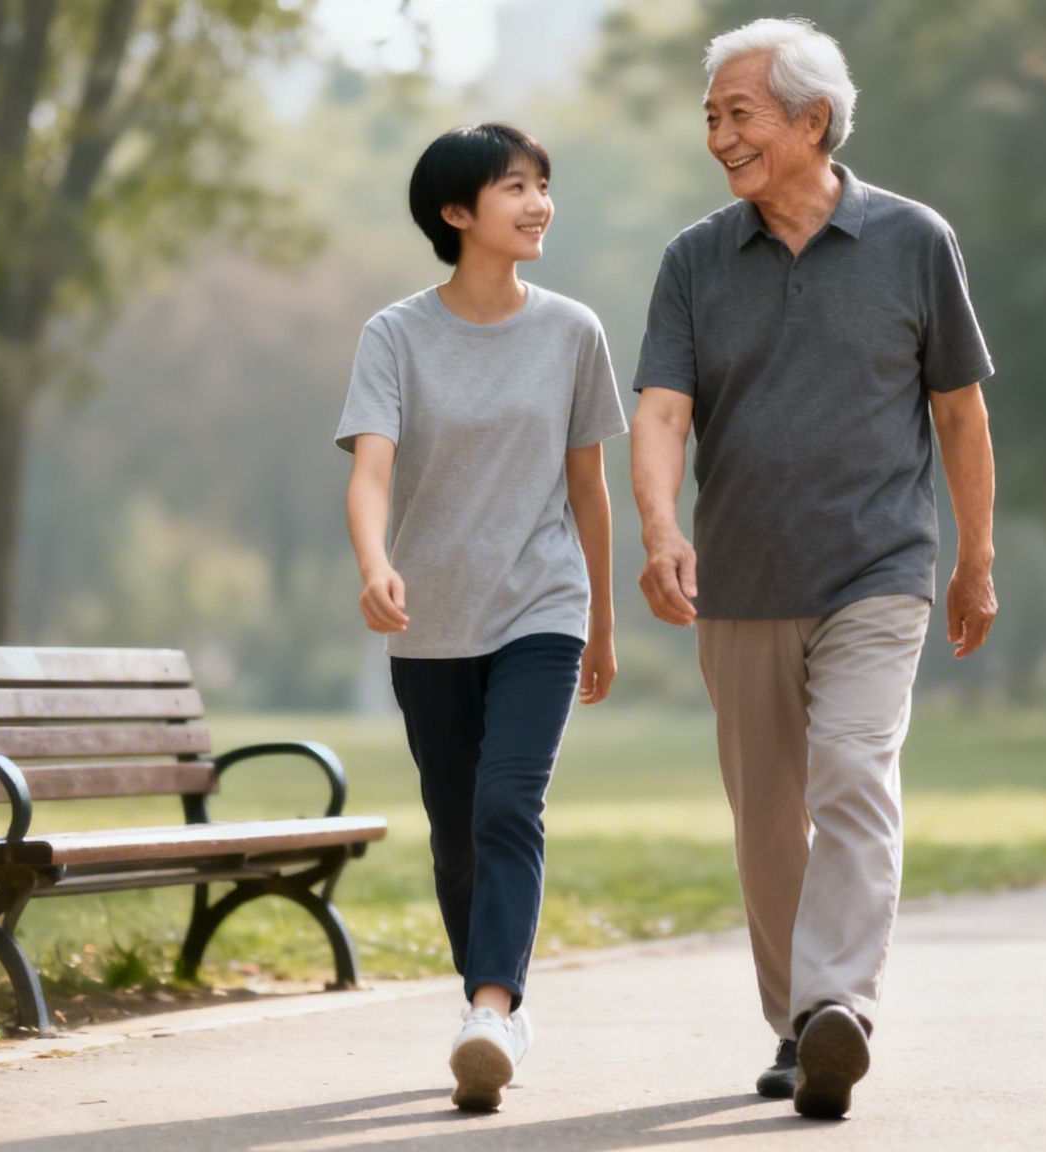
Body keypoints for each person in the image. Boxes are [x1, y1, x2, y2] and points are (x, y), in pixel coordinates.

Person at [630, 17, 999, 1120]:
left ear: (811, 120)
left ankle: (838, 1004)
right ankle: (797, 1024)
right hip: (739, 579)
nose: (719, 138)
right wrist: (657, 529)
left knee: (850, 768)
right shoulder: (693, 260)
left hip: (878, 569)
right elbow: (657, 412)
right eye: (710, 118)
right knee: (765, 814)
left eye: (737, 115)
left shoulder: (911, 240)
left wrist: (974, 558)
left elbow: (958, 410)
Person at [336, 122, 627, 1113]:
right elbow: (370, 470)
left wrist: (600, 616)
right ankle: (489, 1008)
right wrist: (375, 564)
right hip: (429, 622)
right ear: (456, 212)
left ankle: (492, 1009)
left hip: (540, 606)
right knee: (456, 832)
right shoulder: (395, 335)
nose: (539, 203)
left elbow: (588, 488)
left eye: (543, 185)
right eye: (515, 187)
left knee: (509, 803)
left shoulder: (572, 331)